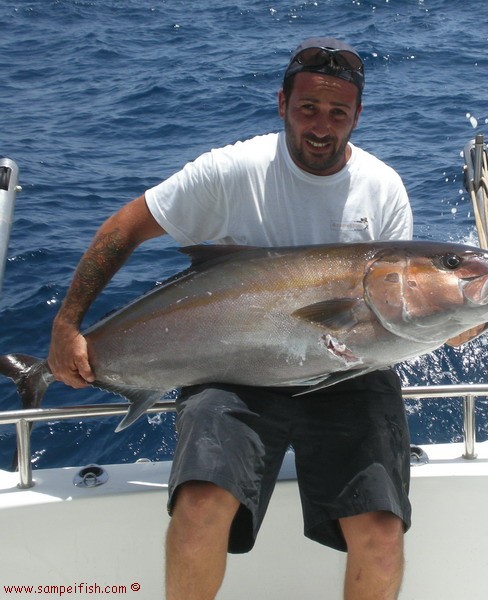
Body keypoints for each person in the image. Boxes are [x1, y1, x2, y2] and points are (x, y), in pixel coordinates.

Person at [47, 37, 414, 600]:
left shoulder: (382, 189)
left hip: (348, 376)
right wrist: (67, 327)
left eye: (338, 113)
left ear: (357, 115)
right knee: (198, 506)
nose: (321, 126)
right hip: (236, 375)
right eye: (307, 108)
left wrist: (457, 320)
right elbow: (122, 229)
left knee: (383, 532)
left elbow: (395, 318)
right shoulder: (232, 171)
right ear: (281, 104)